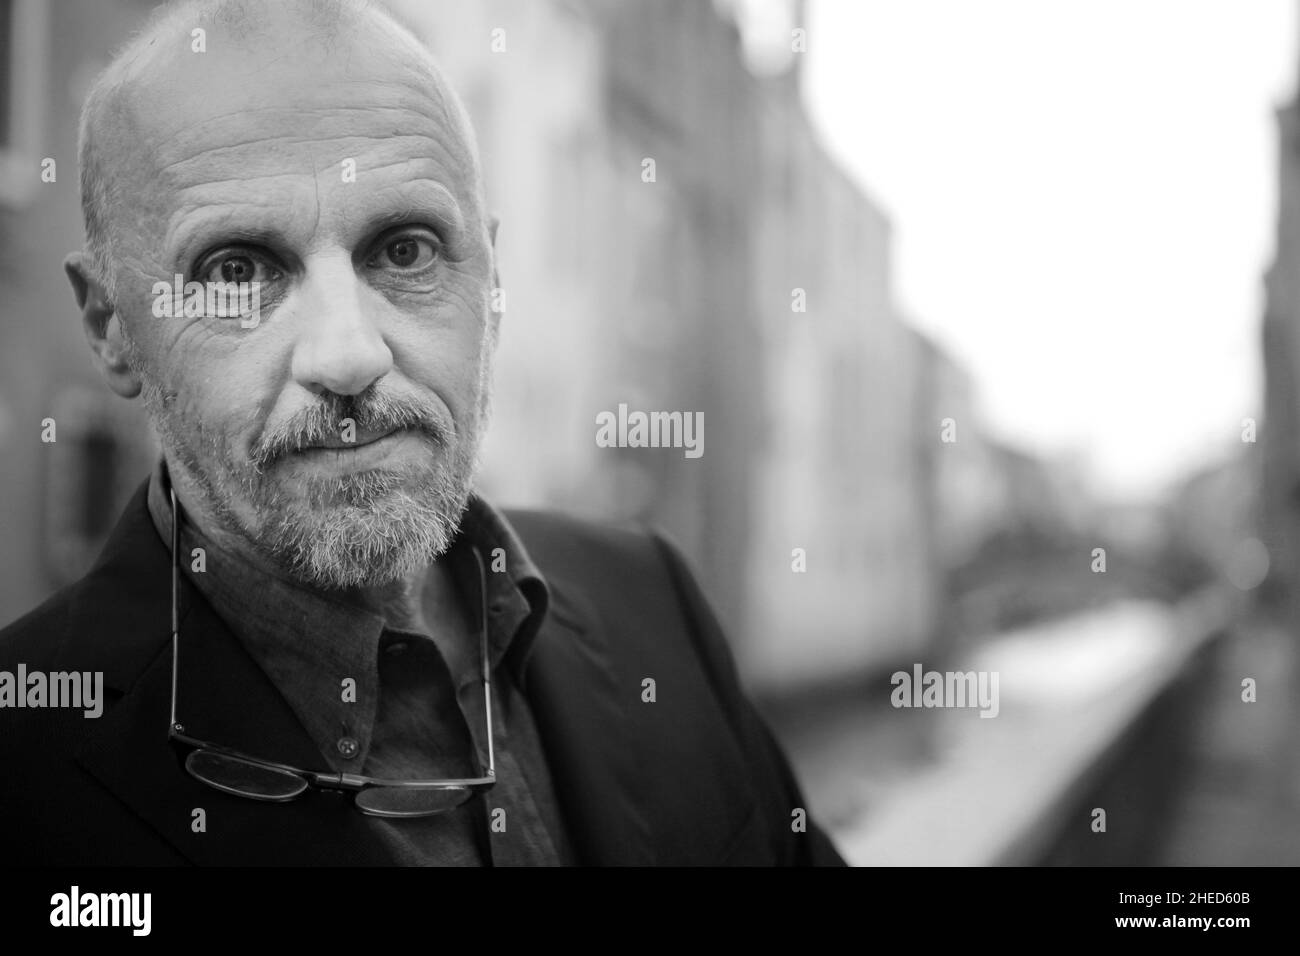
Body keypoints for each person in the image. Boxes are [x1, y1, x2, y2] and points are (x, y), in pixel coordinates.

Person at [0, 0, 845, 866]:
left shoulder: (653, 605)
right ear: (112, 326)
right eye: (238, 271)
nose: (349, 354)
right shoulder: (25, 774)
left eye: (403, 252)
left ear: (491, 280)